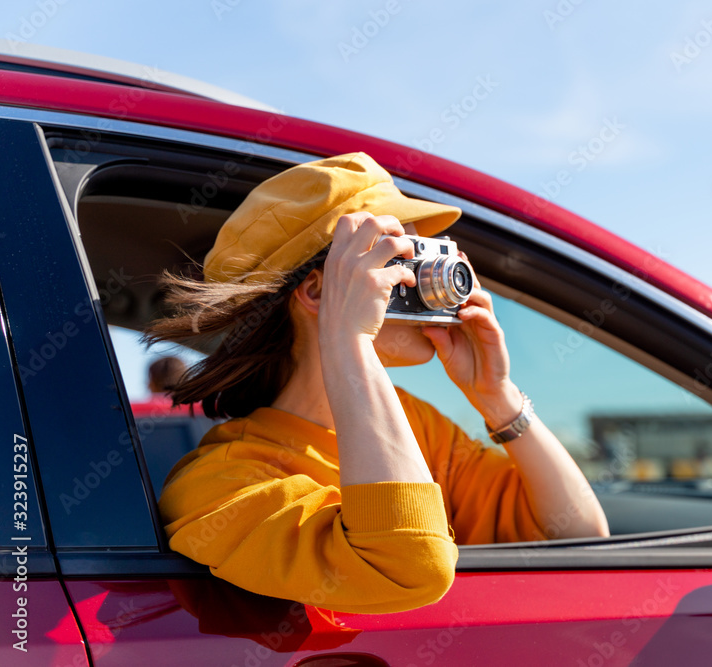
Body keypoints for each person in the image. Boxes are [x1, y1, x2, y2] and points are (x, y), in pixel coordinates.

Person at [147, 152, 608, 614]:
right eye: (398, 258)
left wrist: (497, 397)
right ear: (318, 291)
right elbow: (407, 569)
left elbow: (577, 536)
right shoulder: (218, 485)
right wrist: (348, 339)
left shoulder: (415, 425)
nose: (422, 279)